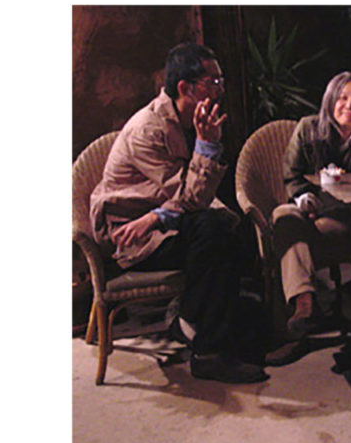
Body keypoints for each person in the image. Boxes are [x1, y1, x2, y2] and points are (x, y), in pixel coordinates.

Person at [90, 42, 269, 384]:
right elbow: (190, 198)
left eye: (221, 81)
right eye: (213, 82)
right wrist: (207, 145)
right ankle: (208, 353)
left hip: (161, 222)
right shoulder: (149, 130)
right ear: (186, 88)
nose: (220, 89)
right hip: (133, 237)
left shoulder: (190, 119)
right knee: (213, 231)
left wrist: (158, 215)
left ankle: (190, 320)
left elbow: (192, 199)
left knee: (232, 228)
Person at [272, 71, 351, 336]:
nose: (349, 105)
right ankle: (305, 302)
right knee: (283, 214)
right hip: (308, 209)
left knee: (297, 236)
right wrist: (304, 199)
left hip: (347, 216)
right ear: (330, 100)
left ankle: (304, 308)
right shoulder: (308, 128)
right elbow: (291, 174)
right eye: (343, 98)